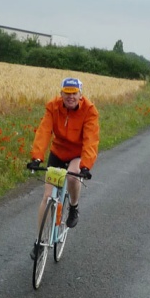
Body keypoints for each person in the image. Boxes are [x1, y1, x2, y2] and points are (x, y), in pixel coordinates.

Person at [26, 78, 100, 258]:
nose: (70, 97)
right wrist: (37, 157)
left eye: (74, 93)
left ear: (80, 95)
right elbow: (44, 131)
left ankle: (73, 207)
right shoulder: (53, 107)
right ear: (61, 94)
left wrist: (86, 166)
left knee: (73, 177)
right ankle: (39, 242)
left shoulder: (89, 111)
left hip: (77, 153)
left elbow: (91, 139)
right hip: (58, 152)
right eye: (67, 93)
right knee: (47, 196)